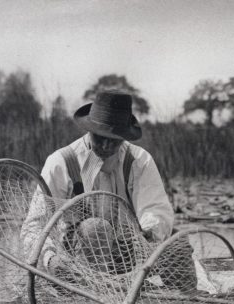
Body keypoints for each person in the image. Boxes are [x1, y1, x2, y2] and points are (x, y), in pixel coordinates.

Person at [22, 90, 195, 290]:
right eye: (100, 137)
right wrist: (50, 260)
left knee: (177, 242)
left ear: (124, 136)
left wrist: (148, 235)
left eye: (114, 139)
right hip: (76, 259)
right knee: (95, 228)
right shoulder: (61, 162)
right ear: (89, 130)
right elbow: (33, 226)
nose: (105, 145)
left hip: (130, 254)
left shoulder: (139, 160)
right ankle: (92, 300)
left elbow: (156, 210)